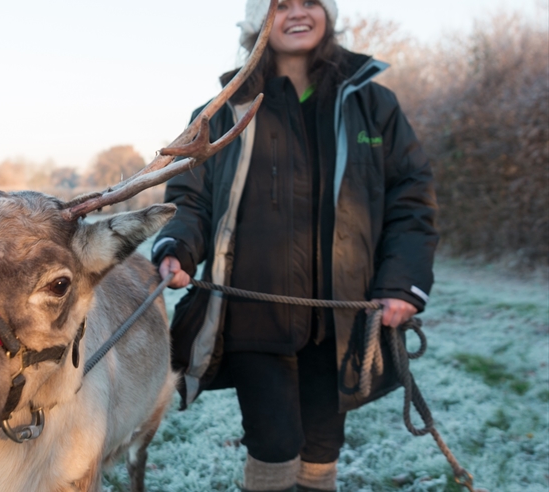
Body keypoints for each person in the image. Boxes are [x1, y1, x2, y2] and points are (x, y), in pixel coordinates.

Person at [150, 0, 438, 491]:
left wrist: (401, 284)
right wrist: (177, 246)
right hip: (252, 314)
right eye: (281, 5)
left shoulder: (374, 104)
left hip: (342, 315)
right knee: (275, 441)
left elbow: (410, 200)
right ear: (259, 20)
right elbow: (189, 199)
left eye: (310, 3)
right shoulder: (221, 114)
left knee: (324, 444)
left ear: (327, 14)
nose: (298, 13)